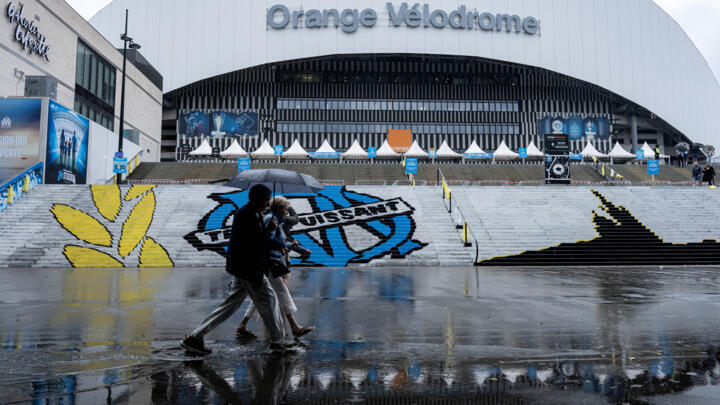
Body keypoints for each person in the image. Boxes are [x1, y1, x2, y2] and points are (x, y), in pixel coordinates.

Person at [181, 184, 289, 355]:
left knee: (229, 306)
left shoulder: (251, 214)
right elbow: (250, 243)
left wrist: (267, 232)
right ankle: (277, 342)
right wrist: (268, 231)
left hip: (244, 268)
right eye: (266, 199)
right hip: (249, 269)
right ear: (257, 198)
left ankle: (195, 337)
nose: (267, 203)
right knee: (269, 301)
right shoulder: (247, 216)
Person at [236, 196, 315, 339]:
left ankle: (243, 325)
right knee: (282, 293)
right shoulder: (270, 219)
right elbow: (269, 240)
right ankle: (293, 327)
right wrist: (288, 246)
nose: (287, 212)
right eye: (285, 209)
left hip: (270, 262)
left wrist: (299, 249)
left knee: (262, 296)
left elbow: (281, 241)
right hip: (270, 264)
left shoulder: (275, 220)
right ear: (278, 208)